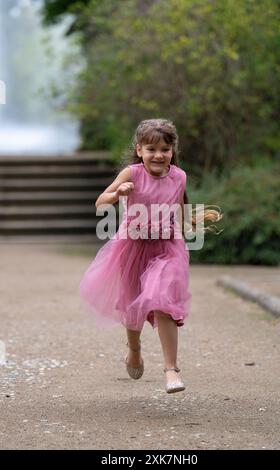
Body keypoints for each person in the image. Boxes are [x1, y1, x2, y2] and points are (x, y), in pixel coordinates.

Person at [79, 118, 222, 393]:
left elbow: (177, 208)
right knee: (133, 307)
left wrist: (192, 221)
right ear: (139, 149)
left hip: (168, 248)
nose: (158, 155)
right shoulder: (131, 174)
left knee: (163, 300)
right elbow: (100, 202)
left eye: (165, 150)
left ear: (173, 150)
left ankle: (171, 370)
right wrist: (117, 193)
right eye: (151, 149)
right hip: (133, 248)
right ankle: (134, 349)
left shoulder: (179, 176)